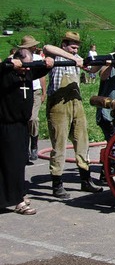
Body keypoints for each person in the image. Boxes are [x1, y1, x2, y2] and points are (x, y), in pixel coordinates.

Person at [44, 31, 103, 198]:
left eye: (77, 47)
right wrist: (72, 57)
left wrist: (106, 61)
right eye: (72, 46)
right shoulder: (57, 57)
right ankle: (57, 184)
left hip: (76, 104)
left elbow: (92, 71)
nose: (75, 50)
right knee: (59, 144)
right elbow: (47, 47)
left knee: (82, 141)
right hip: (59, 105)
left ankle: (85, 180)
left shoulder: (77, 59)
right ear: (64, 45)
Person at [0, 48, 53, 215]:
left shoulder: (27, 73)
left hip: (22, 126)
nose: (26, 69)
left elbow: (41, 68)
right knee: (12, 164)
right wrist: (8, 63)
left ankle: (16, 194)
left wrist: (48, 64)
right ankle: (17, 201)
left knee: (19, 162)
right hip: (7, 126)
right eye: (23, 65)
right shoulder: (5, 74)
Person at [17, 35, 46, 165]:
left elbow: (42, 77)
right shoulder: (19, 58)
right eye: (31, 45)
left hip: (36, 91)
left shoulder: (38, 59)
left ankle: (34, 145)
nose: (34, 47)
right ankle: (24, 150)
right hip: (22, 89)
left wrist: (44, 91)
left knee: (33, 118)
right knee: (23, 120)